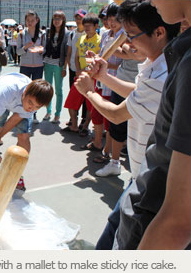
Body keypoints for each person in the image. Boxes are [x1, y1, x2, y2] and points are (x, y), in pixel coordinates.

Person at [75, 0, 181, 249]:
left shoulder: (162, 74)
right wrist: (103, 77)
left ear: (159, 32)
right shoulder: (156, 63)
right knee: (115, 224)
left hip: (151, 178)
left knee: (124, 240)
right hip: (140, 170)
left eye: (132, 35)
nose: (127, 43)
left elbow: (117, 114)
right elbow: (136, 91)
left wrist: (90, 92)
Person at [0, 72, 53, 192]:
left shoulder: (32, 106)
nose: (31, 108)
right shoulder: (6, 92)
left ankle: (17, 173)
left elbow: (15, 118)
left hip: (16, 101)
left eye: (37, 107)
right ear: (25, 92)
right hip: (4, 95)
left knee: (24, 136)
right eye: (30, 103)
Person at [83, 3, 125, 177]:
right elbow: (104, 55)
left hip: (116, 80)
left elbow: (124, 60)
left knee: (113, 120)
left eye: (116, 19)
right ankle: (101, 145)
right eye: (109, 19)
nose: (112, 23)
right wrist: (97, 58)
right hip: (103, 81)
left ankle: (108, 153)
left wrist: (105, 64)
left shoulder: (125, 37)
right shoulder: (106, 34)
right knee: (98, 114)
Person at [17, 10, 45, 124]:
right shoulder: (21, 34)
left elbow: (45, 49)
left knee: (36, 91)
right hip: (25, 65)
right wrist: (25, 47)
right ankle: (21, 113)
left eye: (32, 20)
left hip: (38, 65)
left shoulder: (42, 34)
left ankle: (33, 114)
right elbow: (18, 52)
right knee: (24, 90)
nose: (30, 22)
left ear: (37, 20)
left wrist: (41, 51)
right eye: (28, 20)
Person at [62, 9, 88, 133]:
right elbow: (69, 52)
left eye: (81, 18)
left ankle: (84, 121)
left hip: (85, 70)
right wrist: (65, 67)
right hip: (73, 69)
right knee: (73, 96)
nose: (79, 21)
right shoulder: (72, 34)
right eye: (77, 18)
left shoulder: (89, 34)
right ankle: (73, 120)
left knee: (85, 96)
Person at [43, 10, 69, 124]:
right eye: (55, 19)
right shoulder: (48, 32)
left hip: (59, 64)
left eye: (59, 19)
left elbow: (67, 52)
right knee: (47, 89)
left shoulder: (67, 33)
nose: (56, 21)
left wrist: (64, 68)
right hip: (47, 63)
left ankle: (57, 114)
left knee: (58, 90)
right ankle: (48, 111)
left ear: (63, 20)